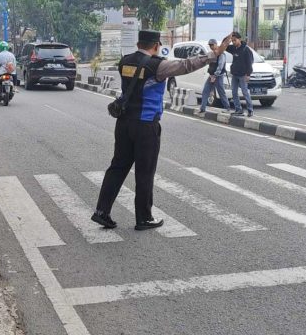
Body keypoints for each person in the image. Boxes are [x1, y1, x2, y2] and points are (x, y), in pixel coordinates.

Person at [91, 30, 214, 231]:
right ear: (156, 45)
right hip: (146, 125)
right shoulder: (158, 65)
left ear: (139, 43)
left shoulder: (125, 62)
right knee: (145, 171)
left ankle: (101, 211)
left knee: (117, 167)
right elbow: (185, 66)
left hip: (123, 123)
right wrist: (211, 56)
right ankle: (144, 217)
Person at [217, 32, 253, 117]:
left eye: (234, 40)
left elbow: (249, 63)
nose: (233, 42)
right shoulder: (233, 48)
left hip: (243, 75)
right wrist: (228, 38)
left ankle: (250, 110)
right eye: (232, 41)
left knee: (245, 92)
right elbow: (223, 45)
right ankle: (238, 110)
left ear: (239, 39)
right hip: (235, 74)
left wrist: (248, 74)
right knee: (234, 92)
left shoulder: (246, 49)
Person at [197, 38, 231, 114]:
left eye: (212, 45)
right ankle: (202, 108)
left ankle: (227, 107)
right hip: (211, 76)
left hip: (218, 76)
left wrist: (215, 76)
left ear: (216, 44)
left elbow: (220, 66)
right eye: (210, 45)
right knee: (205, 91)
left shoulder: (221, 54)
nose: (211, 46)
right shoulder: (212, 54)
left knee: (221, 92)